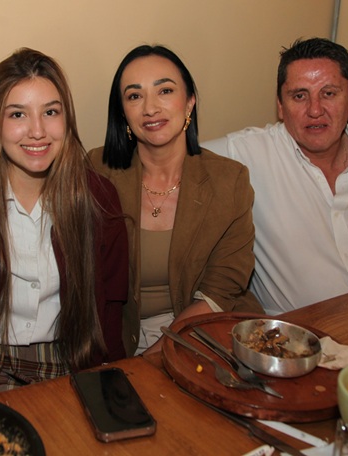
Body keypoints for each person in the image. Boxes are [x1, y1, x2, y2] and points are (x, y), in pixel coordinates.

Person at [0, 48, 128, 396]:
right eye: (18, 114)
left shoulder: (97, 198)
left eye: (51, 112)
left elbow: (110, 308)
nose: (37, 131)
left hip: (68, 360)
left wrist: (113, 387)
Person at [203, 37, 348, 315]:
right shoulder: (248, 154)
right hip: (298, 341)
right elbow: (175, 157)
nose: (315, 109)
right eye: (299, 96)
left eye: (329, 93)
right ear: (280, 107)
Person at [88, 44, 262, 358]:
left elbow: (222, 289)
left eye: (164, 90)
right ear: (123, 111)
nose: (150, 108)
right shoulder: (97, 172)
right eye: (134, 95)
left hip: (202, 330)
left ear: (190, 102)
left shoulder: (229, 181)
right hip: (116, 336)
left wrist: (155, 356)